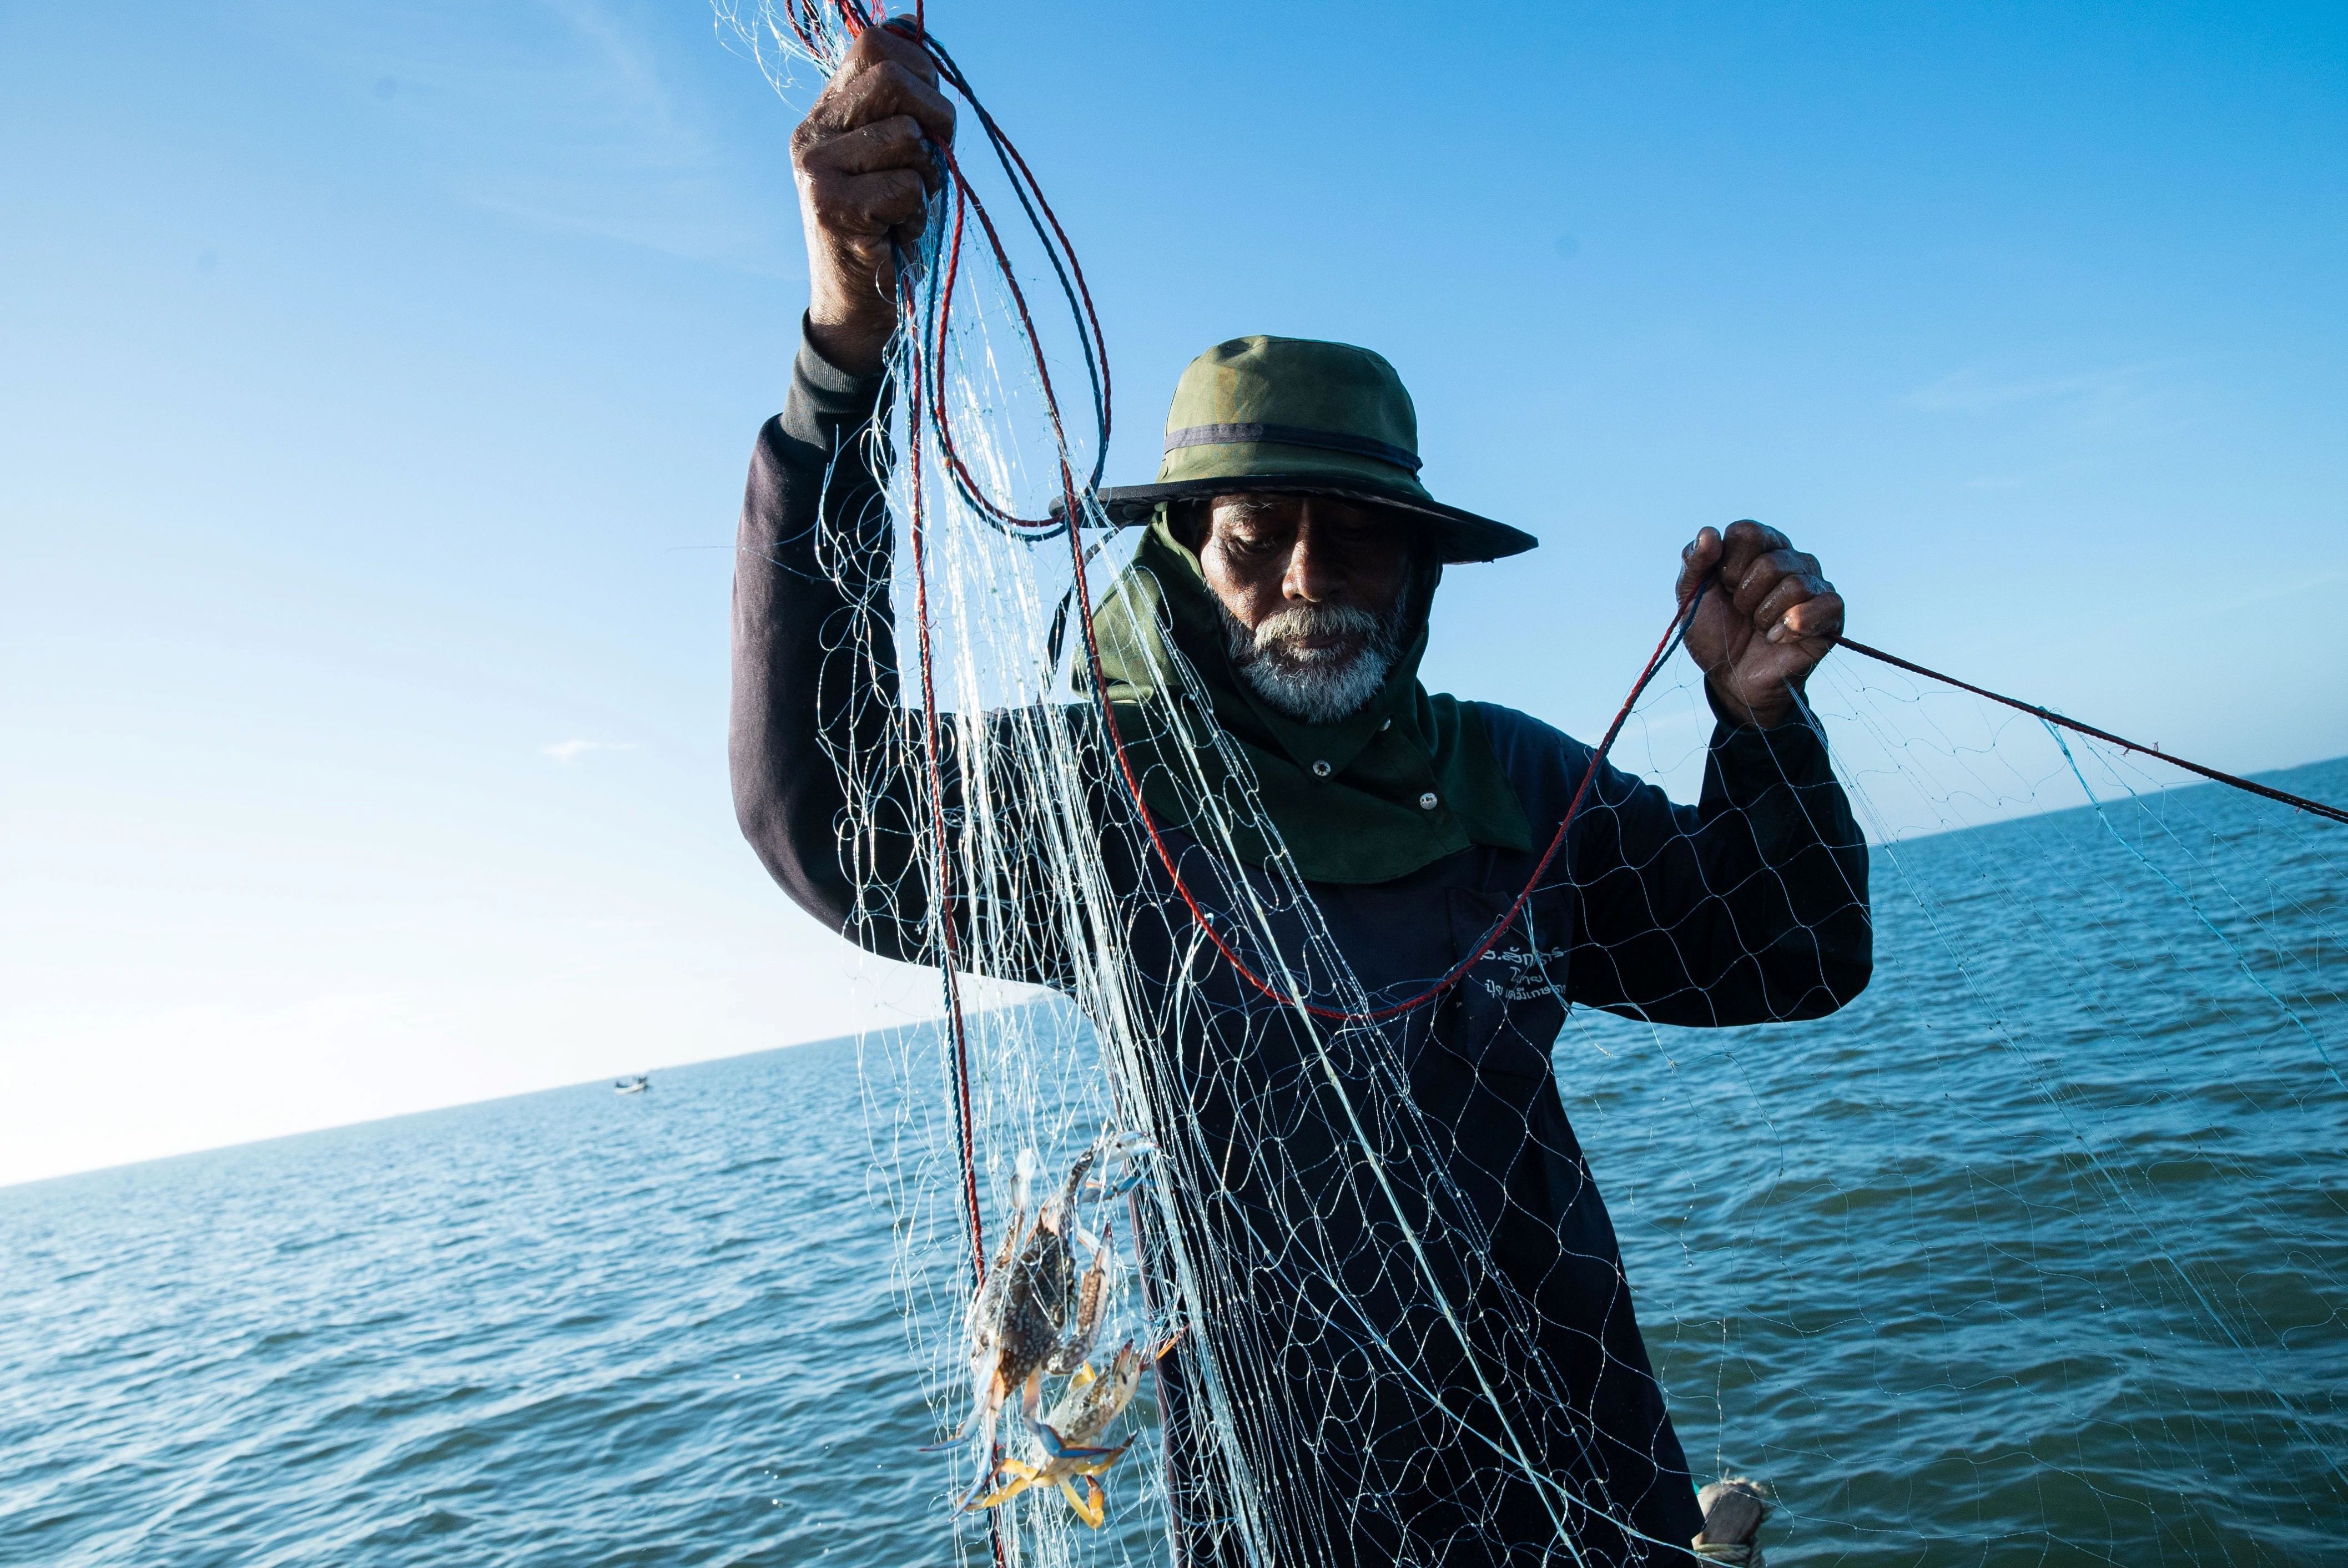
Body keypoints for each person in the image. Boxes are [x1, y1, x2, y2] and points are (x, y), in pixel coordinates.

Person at [733, 28, 1871, 1566]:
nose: (1309, 581)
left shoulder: (1518, 781)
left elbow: (1789, 949)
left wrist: (1759, 732)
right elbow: (820, 801)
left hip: (1599, 1504)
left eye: (1359, 539)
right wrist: (840, 358)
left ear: (1420, 573)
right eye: (1260, 535)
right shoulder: (1105, 803)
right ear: (1193, 561)